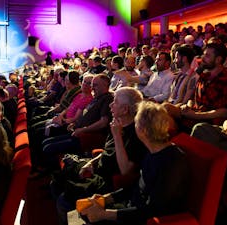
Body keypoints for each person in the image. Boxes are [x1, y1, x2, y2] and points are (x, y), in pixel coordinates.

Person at [78, 101, 189, 225]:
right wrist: (106, 198)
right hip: (132, 206)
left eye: (135, 123)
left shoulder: (172, 162)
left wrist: (105, 214)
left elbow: (154, 209)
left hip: (146, 218)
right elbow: (138, 185)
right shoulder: (152, 150)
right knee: (84, 211)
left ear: (142, 130)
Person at [54, 87, 148, 225]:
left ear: (125, 110)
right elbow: (106, 151)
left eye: (115, 102)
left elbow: (126, 171)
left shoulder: (136, 134)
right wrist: (91, 162)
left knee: (63, 201)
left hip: (107, 182)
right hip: (96, 170)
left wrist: (117, 136)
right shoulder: (116, 122)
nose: (110, 105)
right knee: (57, 181)